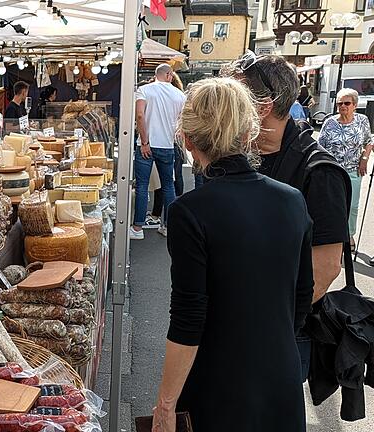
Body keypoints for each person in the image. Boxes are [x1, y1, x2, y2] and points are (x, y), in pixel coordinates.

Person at [152, 77, 313, 432]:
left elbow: (188, 317)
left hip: (218, 381)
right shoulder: (291, 200)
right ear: (248, 134)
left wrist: (166, 404)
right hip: (279, 375)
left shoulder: (190, 211)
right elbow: (302, 297)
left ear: (188, 140)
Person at [222, 52, 350, 379]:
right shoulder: (240, 155)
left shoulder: (319, 172)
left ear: (263, 107)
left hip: (280, 330)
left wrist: (268, 326)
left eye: (233, 99)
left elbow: (325, 268)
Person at [130, 64, 186, 240]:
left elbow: (140, 115)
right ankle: (167, 226)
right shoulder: (180, 95)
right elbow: (182, 122)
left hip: (146, 145)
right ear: (169, 75)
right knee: (168, 185)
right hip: (167, 146)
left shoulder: (144, 90)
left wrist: (145, 141)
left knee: (142, 186)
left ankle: (137, 228)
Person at [318, 88, 373, 252]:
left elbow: (368, 141)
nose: (342, 106)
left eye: (347, 103)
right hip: (332, 171)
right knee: (332, 204)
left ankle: (349, 235)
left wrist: (364, 159)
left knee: (352, 206)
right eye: (340, 103)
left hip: (353, 170)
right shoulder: (330, 123)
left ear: (355, 105)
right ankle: (332, 235)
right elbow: (319, 145)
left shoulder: (362, 121)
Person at [150, 72, 186, 224]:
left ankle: (160, 215)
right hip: (176, 142)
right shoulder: (179, 97)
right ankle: (173, 214)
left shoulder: (163, 98)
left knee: (164, 181)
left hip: (164, 142)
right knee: (174, 178)